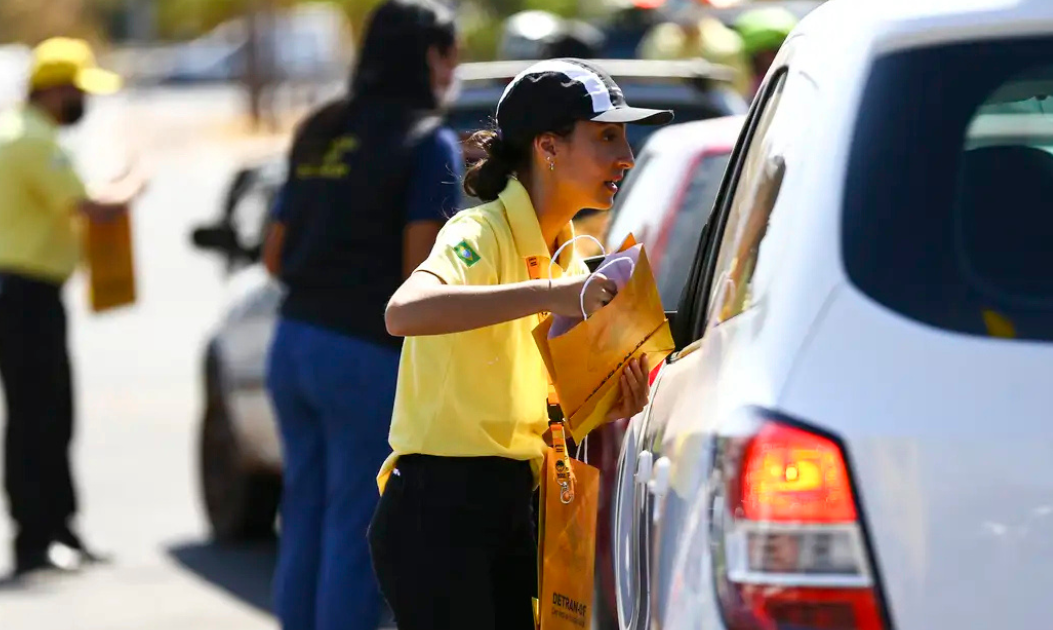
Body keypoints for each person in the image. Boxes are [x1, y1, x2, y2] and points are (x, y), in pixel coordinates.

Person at [369, 58, 663, 629]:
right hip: (439, 511)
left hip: (519, 503)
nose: (627, 156)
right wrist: (552, 294)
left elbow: (541, 410)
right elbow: (403, 312)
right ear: (548, 147)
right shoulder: (478, 232)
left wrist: (607, 404)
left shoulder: (570, 258)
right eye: (607, 136)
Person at [257, 0, 464, 628]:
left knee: (305, 514)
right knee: (356, 525)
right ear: (428, 56)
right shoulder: (428, 142)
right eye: (451, 56)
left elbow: (273, 254)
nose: (454, 71)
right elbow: (419, 276)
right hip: (364, 353)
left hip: (292, 341)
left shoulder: (321, 127)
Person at [0, 37, 146, 578]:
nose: (83, 102)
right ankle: (34, 539)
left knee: (53, 415)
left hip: (31, 293)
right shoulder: (30, 139)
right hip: (21, 294)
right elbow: (94, 206)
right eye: (78, 91)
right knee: (35, 419)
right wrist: (135, 181)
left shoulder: (33, 134)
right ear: (52, 91)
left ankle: (59, 530)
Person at [636, 0, 752, 97]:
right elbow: (649, 83)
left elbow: (736, 92)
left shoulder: (725, 41)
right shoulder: (659, 36)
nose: (684, 8)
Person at [733, 6, 798, 98]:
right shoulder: (746, 84)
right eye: (773, 50)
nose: (774, 57)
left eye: (778, 49)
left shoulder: (795, 81)